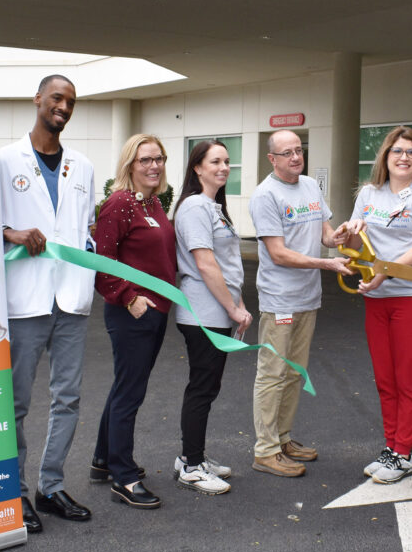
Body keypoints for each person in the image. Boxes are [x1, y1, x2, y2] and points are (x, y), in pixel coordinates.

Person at [0, 74, 95, 533]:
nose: (63, 106)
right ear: (37, 99)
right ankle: (13, 493)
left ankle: (50, 486)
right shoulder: (3, 161)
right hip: (26, 299)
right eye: (57, 98)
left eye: (70, 102)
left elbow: (84, 231)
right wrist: (10, 233)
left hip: (71, 299)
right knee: (17, 403)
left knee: (68, 399)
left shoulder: (84, 166)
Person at [248, 129, 352, 477]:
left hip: (308, 297)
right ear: (272, 159)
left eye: (299, 150)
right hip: (280, 299)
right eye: (287, 152)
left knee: (294, 373)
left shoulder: (309, 186)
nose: (296, 157)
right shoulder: (265, 195)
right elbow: (277, 254)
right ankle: (264, 451)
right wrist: (326, 263)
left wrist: (342, 237)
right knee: (273, 373)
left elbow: (326, 234)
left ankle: (281, 438)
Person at [345, 126, 412, 484]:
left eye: (411, 152)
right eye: (397, 151)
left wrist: (383, 274)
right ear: (385, 157)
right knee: (385, 380)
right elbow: (358, 246)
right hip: (377, 299)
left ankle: (403, 452)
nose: (404, 157)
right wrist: (350, 231)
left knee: (406, 378)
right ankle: (392, 447)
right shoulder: (369, 194)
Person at [91, 134, 176, 509]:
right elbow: (102, 264)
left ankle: (103, 459)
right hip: (133, 313)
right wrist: (129, 297)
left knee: (125, 386)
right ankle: (123, 477)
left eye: (158, 158)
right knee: (130, 393)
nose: (153, 166)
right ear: (129, 165)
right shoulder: (120, 204)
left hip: (155, 311)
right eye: (145, 160)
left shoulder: (152, 202)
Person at [170, 140, 253, 495]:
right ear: (197, 168)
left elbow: (227, 264)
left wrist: (238, 303)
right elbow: (204, 262)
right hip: (202, 314)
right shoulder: (193, 208)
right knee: (202, 387)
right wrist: (233, 308)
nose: (223, 167)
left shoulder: (214, 206)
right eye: (215, 161)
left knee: (209, 386)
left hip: (218, 310)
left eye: (227, 161)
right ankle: (191, 465)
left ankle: (193, 456)